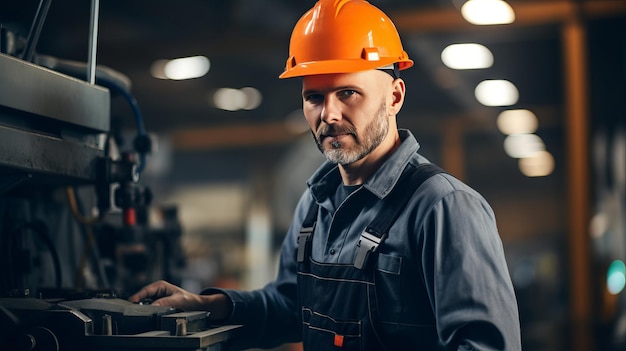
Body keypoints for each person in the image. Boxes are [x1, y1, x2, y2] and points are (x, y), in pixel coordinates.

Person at [129, 0, 522, 349]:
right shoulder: (316, 204)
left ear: (395, 97)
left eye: (348, 93)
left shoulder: (444, 208)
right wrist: (207, 305)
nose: (329, 115)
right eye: (314, 97)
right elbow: (290, 307)